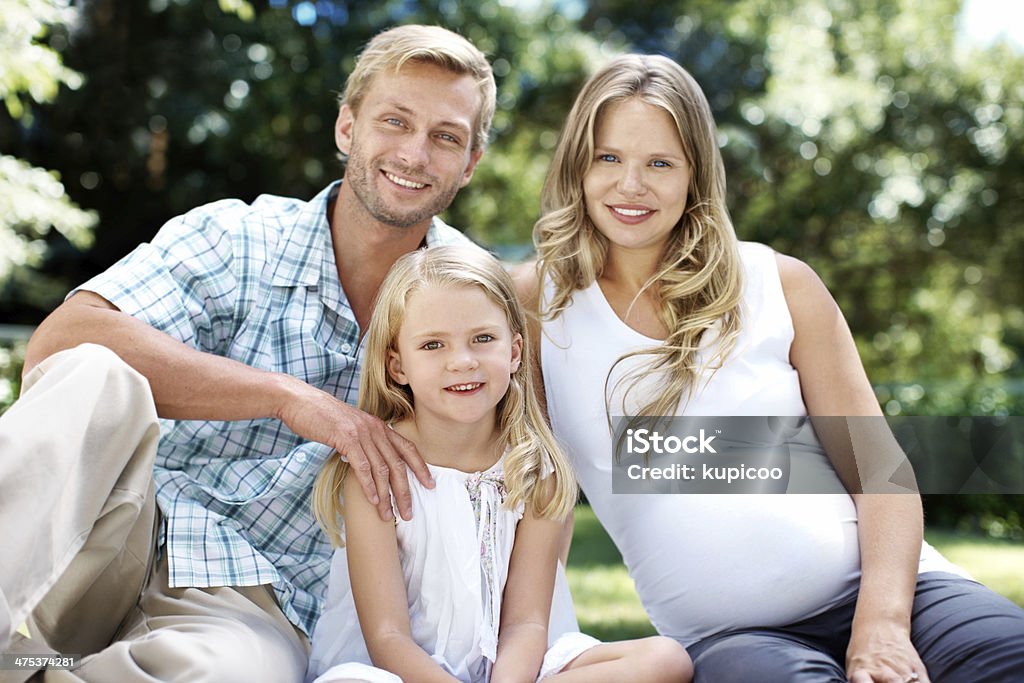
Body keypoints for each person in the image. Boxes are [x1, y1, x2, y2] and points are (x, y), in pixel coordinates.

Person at [0, 25, 497, 683]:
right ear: (348, 128)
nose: (414, 151)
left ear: (470, 163)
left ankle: (37, 669)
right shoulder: (239, 238)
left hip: (250, 596)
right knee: (95, 371)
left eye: (445, 137)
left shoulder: (473, 301)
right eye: (395, 121)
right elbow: (59, 339)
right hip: (108, 534)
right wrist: (291, 399)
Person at [514, 54, 1024, 683]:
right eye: (608, 158)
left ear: (696, 173)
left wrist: (881, 626)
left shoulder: (779, 283)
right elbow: (535, 502)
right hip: (732, 639)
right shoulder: (535, 305)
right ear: (577, 165)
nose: (630, 186)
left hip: (904, 595)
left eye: (660, 163)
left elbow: (882, 474)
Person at [306, 245, 691, 683]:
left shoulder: (534, 468)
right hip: (399, 672)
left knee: (665, 661)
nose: (463, 361)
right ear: (397, 366)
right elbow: (388, 636)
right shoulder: (378, 467)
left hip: (518, 668)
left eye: (483, 339)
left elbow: (526, 623)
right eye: (433, 344)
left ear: (514, 351)